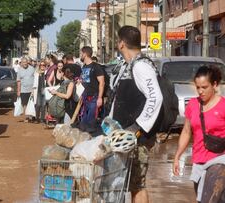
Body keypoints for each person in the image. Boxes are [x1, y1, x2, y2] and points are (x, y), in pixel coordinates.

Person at [108, 26, 163, 203]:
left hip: (136, 138)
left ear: (121, 43)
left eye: (118, 41)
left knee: (137, 185)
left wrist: (137, 127)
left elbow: (156, 98)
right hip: (123, 137)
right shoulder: (129, 65)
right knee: (126, 183)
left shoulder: (141, 66)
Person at [173, 66, 225, 203]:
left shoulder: (223, 106)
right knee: (202, 199)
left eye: (204, 87)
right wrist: (177, 156)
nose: (200, 91)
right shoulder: (193, 105)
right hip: (199, 161)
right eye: (198, 87)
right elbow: (186, 131)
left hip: (219, 160)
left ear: (214, 84)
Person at [79, 46, 105, 132]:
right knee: (83, 125)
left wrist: (100, 98)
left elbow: (102, 82)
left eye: (81, 53)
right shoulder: (84, 67)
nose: (80, 55)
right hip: (85, 97)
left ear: (85, 54)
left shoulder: (96, 67)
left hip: (94, 97)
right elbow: (83, 80)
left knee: (91, 125)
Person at [17, 57, 35, 122]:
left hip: (31, 90)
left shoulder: (32, 69)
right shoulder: (19, 70)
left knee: (32, 103)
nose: (25, 63)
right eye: (23, 62)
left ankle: (32, 116)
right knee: (25, 104)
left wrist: (34, 88)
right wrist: (18, 91)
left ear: (28, 62)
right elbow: (18, 81)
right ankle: (27, 117)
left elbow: (35, 79)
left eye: (25, 62)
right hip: (23, 90)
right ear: (21, 63)